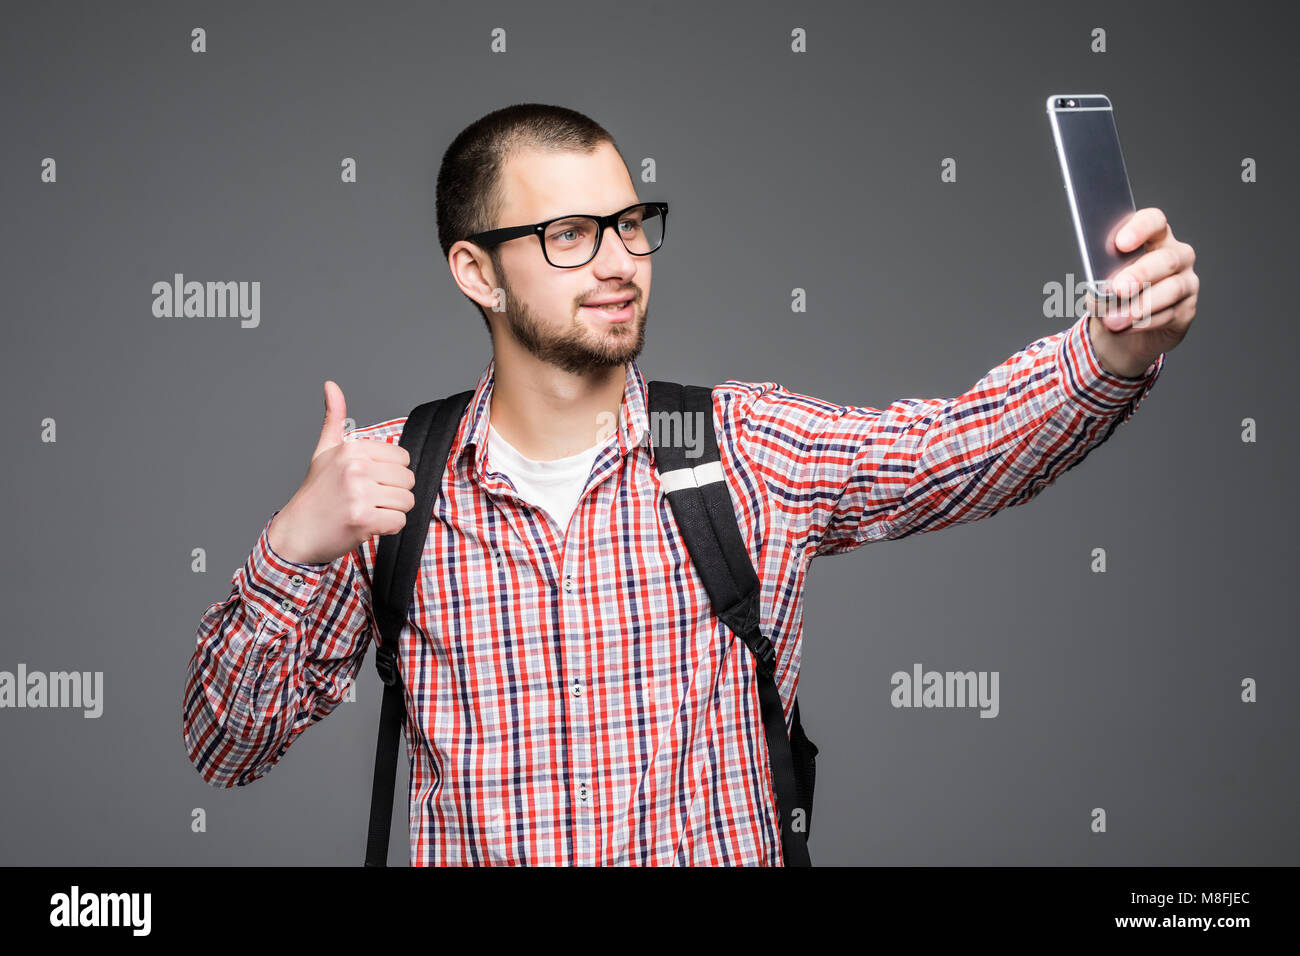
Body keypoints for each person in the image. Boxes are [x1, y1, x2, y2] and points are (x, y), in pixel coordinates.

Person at [181, 103, 1199, 866]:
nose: (619, 259)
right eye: (569, 234)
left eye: (631, 223)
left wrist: (1111, 345)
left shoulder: (732, 444)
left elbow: (952, 451)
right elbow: (225, 746)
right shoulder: (391, 478)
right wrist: (290, 546)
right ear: (476, 271)